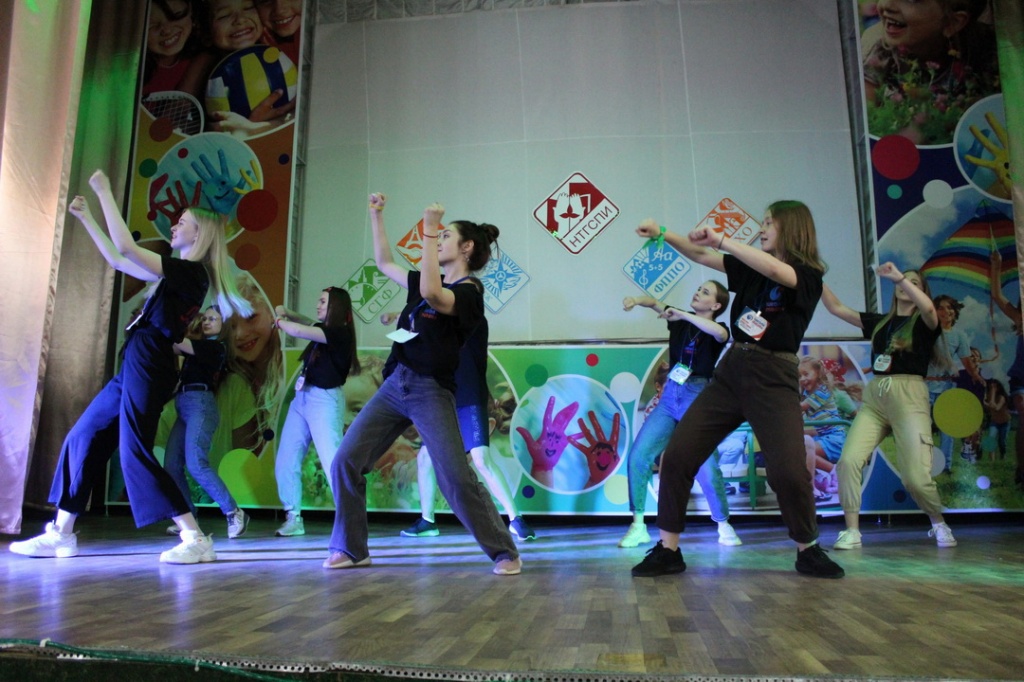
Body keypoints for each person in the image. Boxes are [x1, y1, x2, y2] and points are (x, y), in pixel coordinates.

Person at [10, 169, 250, 564]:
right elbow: (118, 259)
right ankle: (61, 533)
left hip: (152, 362)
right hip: (136, 359)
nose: (175, 225)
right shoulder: (175, 275)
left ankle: (195, 538)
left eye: (183, 222)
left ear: (200, 235)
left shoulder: (192, 273)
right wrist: (87, 218)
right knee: (84, 435)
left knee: (133, 449)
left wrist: (104, 191)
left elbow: (126, 245)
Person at [629, 201, 844, 579]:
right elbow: (700, 254)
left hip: (774, 376)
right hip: (732, 370)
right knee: (677, 455)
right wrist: (663, 233)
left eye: (769, 223)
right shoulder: (749, 267)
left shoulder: (809, 275)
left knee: (788, 472)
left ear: (791, 229)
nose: (761, 229)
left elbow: (778, 271)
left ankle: (808, 549)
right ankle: (668, 549)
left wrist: (723, 240)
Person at [324, 193, 521, 575]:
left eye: (447, 236)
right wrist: (376, 215)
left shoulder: (470, 295)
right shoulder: (423, 282)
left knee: (455, 478)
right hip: (396, 385)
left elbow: (434, 293)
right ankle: (351, 548)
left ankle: (505, 551)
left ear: (466, 247)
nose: (439, 240)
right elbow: (385, 263)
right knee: (346, 461)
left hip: (430, 391)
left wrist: (429, 229)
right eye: (438, 235)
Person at [822, 265, 957, 550]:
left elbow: (929, 309)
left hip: (909, 395)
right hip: (876, 396)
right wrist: (813, 276)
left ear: (921, 290)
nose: (905, 285)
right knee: (848, 461)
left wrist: (899, 277)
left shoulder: (925, 322)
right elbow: (836, 308)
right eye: (903, 281)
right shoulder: (879, 322)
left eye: (914, 283)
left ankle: (938, 523)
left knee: (915, 478)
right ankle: (852, 531)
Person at [617, 285, 743, 549]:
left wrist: (683, 315)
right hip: (670, 396)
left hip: (696, 395)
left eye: (705, 292)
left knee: (707, 465)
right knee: (639, 455)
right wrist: (635, 300)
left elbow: (720, 334)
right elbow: (653, 302)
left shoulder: (717, 327)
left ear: (716, 306)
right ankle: (638, 526)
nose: (698, 293)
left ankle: (723, 524)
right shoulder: (678, 320)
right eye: (698, 289)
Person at [400, 319, 537, 542]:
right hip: (443, 398)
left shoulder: (472, 320)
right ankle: (427, 521)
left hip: (470, 397)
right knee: (425, 457)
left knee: (481, 459)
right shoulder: (435, 324)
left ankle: (516, 519)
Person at [271, 286, 360, 537]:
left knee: (332, 460)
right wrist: (287, 312)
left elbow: (299, 330)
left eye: (323, 301)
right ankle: (293, 517)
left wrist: (279, 320)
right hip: (302, 398)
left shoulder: (339, 333)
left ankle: (350, 519)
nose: (318, 305)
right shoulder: (324, 329)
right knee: (286, 458)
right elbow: (304, 322)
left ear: (336, 307)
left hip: (325, 401)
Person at [162, 306, 249, 539]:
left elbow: (179, 343)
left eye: (213, 318)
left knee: (196, 464)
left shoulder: (216, 347)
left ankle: (233, 511)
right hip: (184, 405)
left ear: (224, 324)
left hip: (200, 405)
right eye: (205, 318)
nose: (206, 322)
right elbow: (173, 346)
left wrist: (167, 323)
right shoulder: (199, 344)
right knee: (171, 465)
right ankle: (187, 518)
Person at [861, 0, 999, 145]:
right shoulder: (879, 48)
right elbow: (867, 117)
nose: (887, 5)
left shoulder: (987, 53)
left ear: (953, 22)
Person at [925, 294, 980, 473]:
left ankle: (946, 466)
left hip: (946, 387)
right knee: (922, 427)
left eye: (949, 308)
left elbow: (966, 360)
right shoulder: (927, 331)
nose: (945, 311)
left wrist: (975, 375)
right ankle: (923, 464)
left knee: (947, 427)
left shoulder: (959, 335)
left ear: (955, 312)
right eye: (940, 308)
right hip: (924, 386)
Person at [989, 248, 1024, 490]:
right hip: (1021, 377)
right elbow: (997, 295)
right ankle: (1021, 469)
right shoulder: (1020, 317)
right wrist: (997, 266)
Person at [798, 355, 848, 501]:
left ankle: (834, 471)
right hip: (824, 437)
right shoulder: (806, 394)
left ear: (818, 373)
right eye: (799, 376)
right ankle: (821, 478)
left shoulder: (822, 392)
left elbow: (800, 408)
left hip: (835, 439)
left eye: (806, 374)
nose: (802, 379)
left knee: (802, 451)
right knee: (799, 449)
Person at [142, 0, 214, 100]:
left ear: (191, 9)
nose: (167, 30)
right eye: (151, 24)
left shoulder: (204, 56)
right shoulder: (131, 69)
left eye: (176, 15)